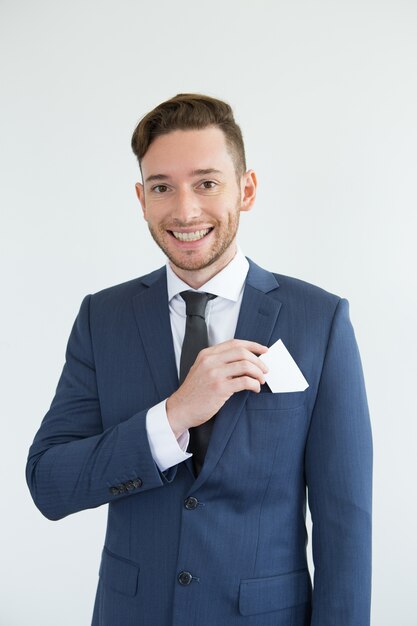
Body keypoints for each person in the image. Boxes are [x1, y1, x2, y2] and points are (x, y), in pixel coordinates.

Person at [26, 93, 372, 626]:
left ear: (246, 190)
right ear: (142, 198)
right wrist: (171, 418)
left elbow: (344, 523)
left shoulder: (318, 320)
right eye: (163, 187)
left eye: (206, 183)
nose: (185, 210)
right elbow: (49, 483)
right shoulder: (103, 318)